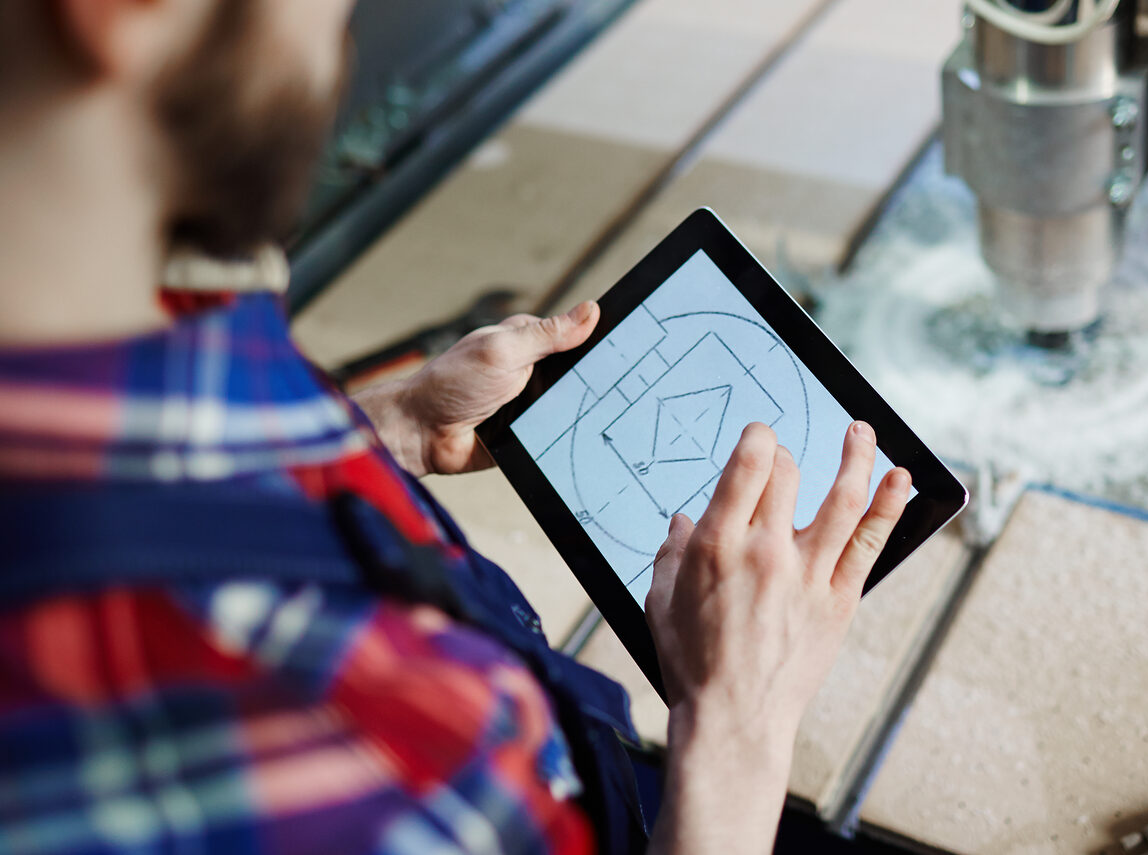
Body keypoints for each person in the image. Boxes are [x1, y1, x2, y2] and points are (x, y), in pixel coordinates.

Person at [0, 2, 913, 854]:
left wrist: (389, 427)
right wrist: (737, 730)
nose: (344, 31)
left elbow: (174, 479)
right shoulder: (333, 746)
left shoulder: (138, 308)